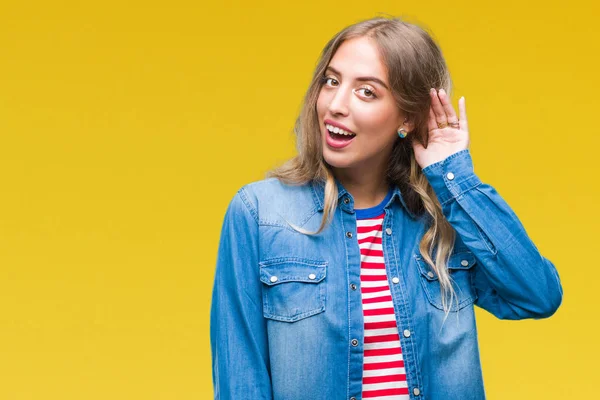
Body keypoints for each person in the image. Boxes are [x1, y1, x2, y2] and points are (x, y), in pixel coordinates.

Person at [209, 16, 563, 400]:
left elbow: (537, 295)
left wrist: (455, 178)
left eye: (366, 92)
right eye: (331, 81)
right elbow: (239, 381)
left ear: (408, 118)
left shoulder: (443, 219)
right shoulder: (260, 214)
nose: (336, 105)